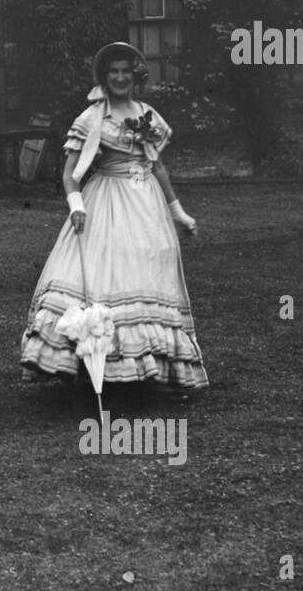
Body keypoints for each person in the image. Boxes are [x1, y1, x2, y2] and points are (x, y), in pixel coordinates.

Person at [20, 42, 207, 392]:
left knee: (148, 270)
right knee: (106, 273)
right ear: (105, 77)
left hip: (147, 205)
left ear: (135, 75)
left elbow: (158, 166)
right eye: (113, 72)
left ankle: (148, 364)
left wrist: (177, 211)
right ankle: (95, 364)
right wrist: (76, 203)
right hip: (107, 200)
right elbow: (70, 172)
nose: (120, 78)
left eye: (126, 71)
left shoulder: (147, 114)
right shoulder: (92, 118)